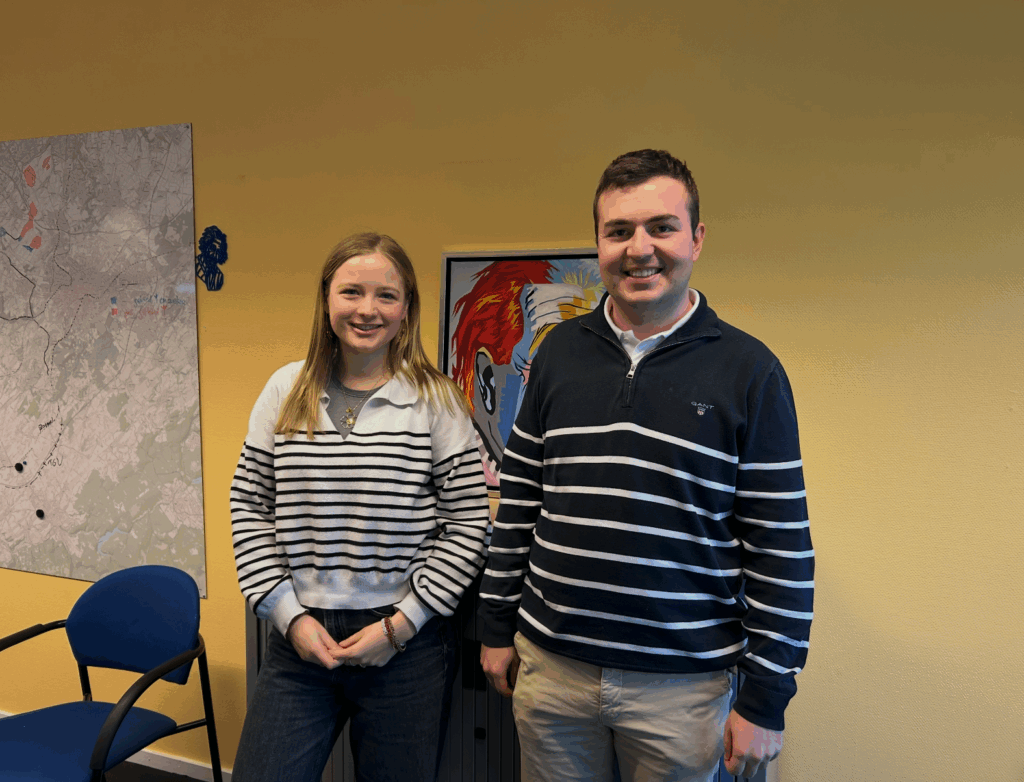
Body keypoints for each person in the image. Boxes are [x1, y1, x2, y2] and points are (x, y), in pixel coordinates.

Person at [478, 150, 814, 782]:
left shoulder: (750, 371)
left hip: (683, 690)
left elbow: (781, 547)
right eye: (619, 231)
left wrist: (767, 698)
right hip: (553, 672)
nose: (640, 249)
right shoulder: (556, 354)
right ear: (599, 244)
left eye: (661, 227)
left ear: (697, 238)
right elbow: (520, 498)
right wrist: (495, 625)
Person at [230, 232, 490, 782]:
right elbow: (250, 505)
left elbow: (469, 521)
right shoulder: (285, 389)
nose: (367, 309)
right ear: (326, 299)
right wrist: (288, 617)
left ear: (406, 308)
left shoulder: (437, 399)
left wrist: (402, 625)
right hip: (299, 638)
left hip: (407, 645)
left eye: (385, 295)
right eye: (351, 292)